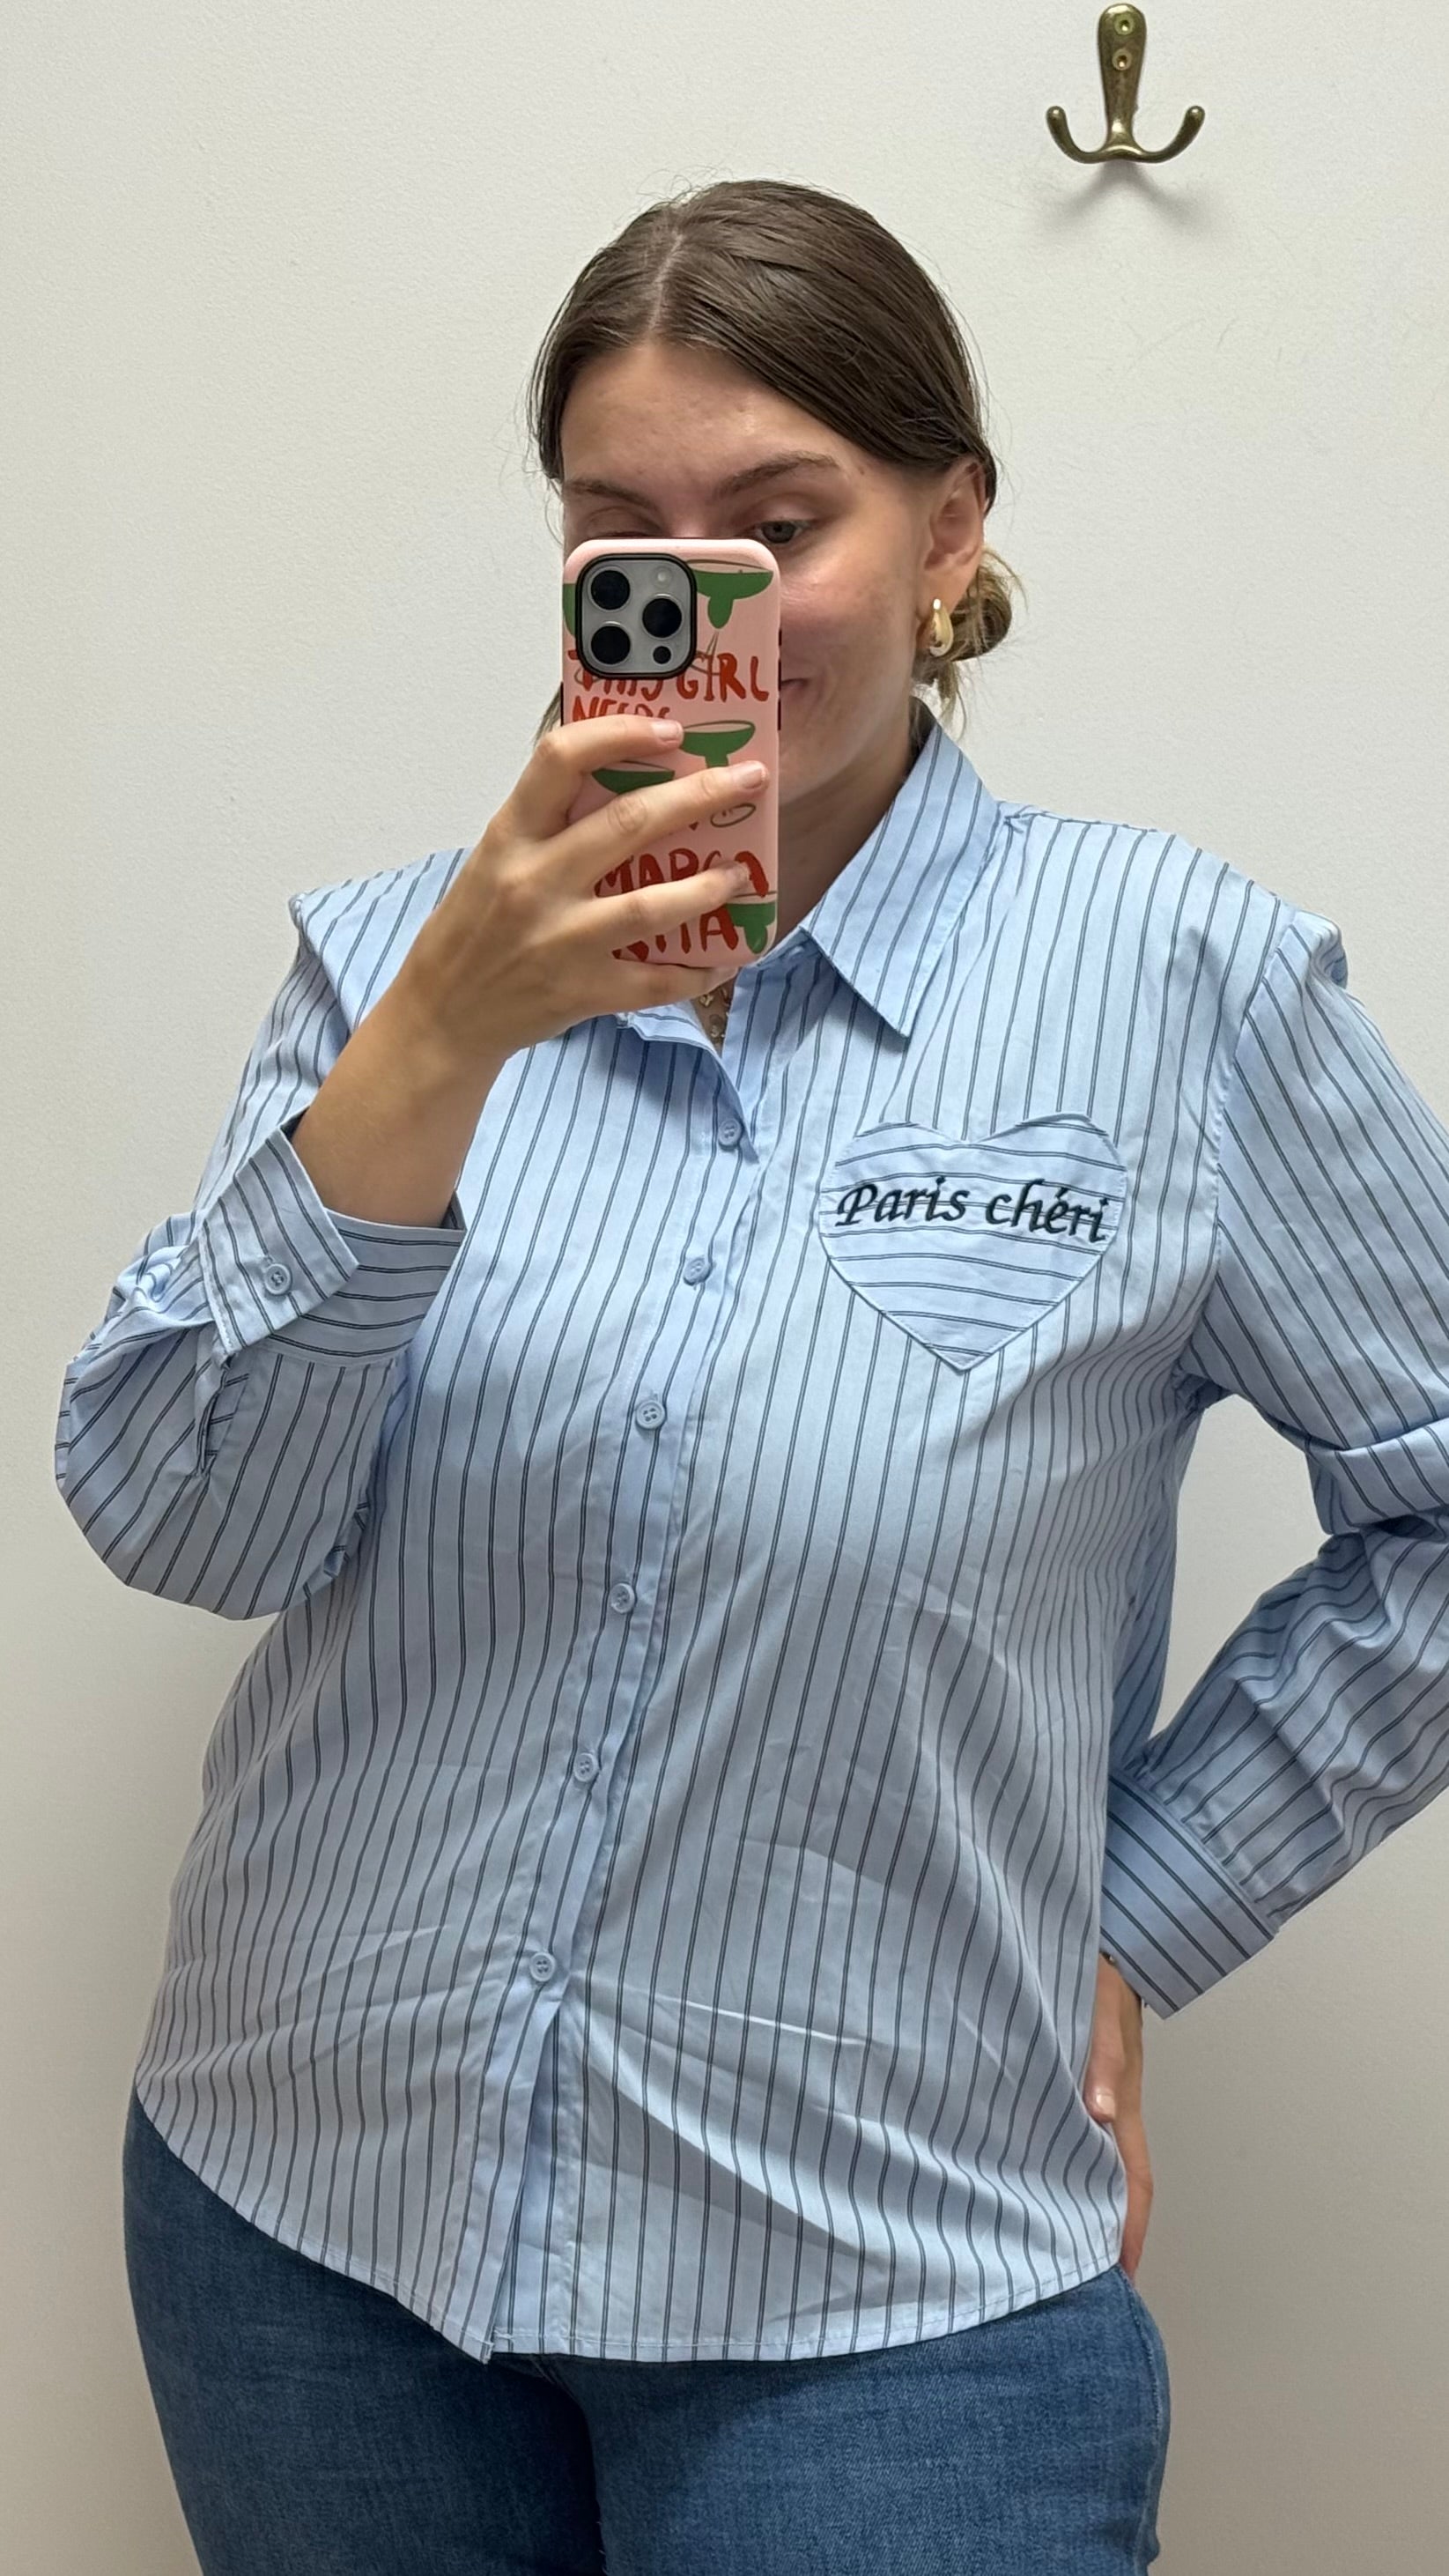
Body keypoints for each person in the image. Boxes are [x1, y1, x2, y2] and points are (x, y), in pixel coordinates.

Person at [55, 176, 1449, 2576]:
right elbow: (186, 1523)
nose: (699, 597)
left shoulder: (1184, 987)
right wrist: (438, 1048)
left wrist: (1142, 1904)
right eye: (624, 535)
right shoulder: (393, 972)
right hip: (309, 2224)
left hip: (887, 2291)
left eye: (779, 527)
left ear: (949, 532)